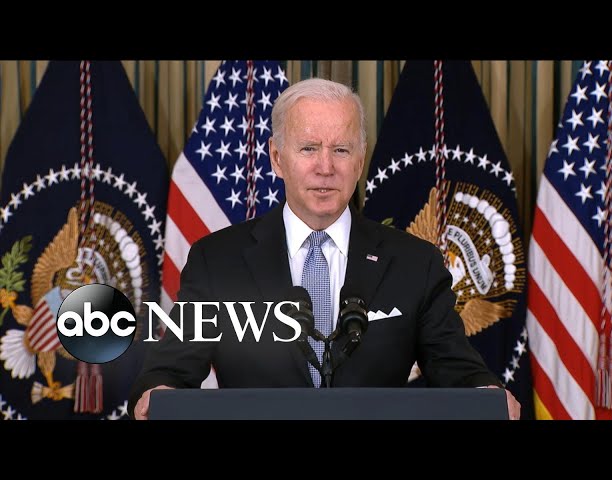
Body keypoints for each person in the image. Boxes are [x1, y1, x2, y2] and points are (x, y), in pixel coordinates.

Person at [129, 78, 521, 420]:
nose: (325, 167)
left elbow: (456, 367)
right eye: (309, 148)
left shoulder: (415, 263)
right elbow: (171, 369)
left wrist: (485, 393)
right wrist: (157, 393)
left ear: (360, 160)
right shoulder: (218, 260)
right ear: (277, 158)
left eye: (341, 150)